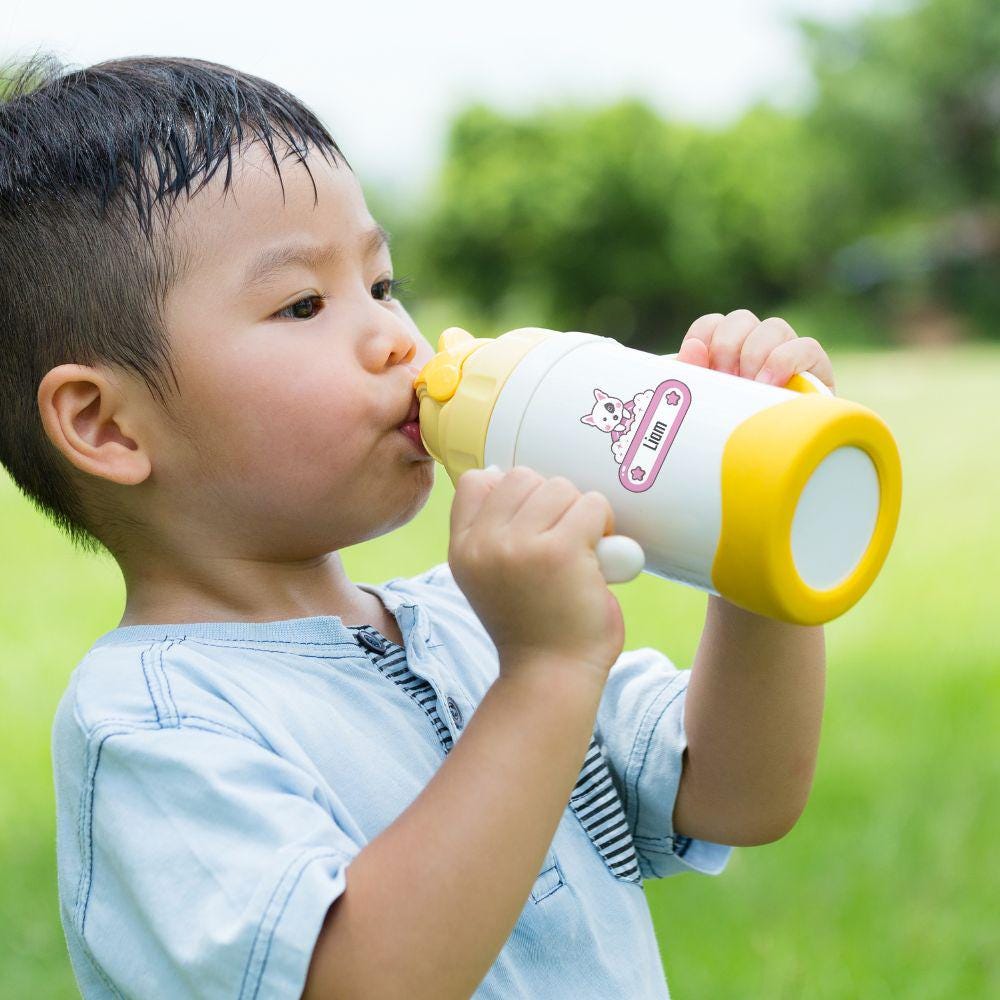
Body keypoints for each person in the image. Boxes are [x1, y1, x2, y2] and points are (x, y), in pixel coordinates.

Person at [0, 53, 832, 999]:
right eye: (304, 303)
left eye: (383, 284)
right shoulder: (151, 723)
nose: (397, 337)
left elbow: (739, 793)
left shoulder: (471, 623)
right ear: (106, 424)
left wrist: (757, 519)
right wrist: (548, 676)